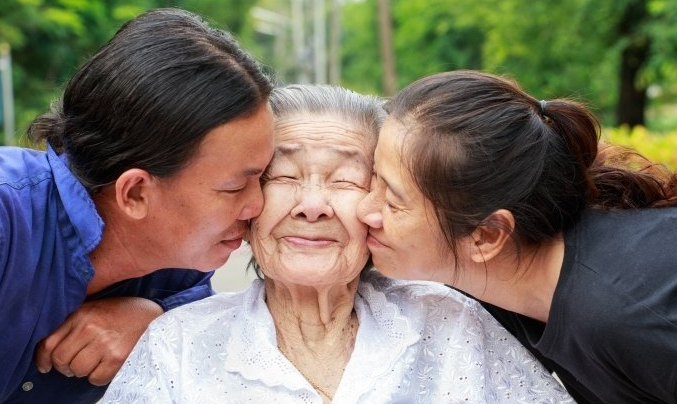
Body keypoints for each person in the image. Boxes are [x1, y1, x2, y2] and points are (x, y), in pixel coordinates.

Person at [102, 84, 573, 404]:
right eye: (283, 175)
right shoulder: (179, 343)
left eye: (347, 180)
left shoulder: (451, 324)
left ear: (382, 203)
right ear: (247, 202)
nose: (312, 206)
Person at [0, 8, 274, 404]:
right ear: (134, 194)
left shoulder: (182, 269)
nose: (258, 206)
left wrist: (156, 320)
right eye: (235, 187)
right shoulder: (9, 221)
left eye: (264, 178)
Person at [356, 69, 677, 404]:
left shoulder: (632, 316)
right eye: (372, 178)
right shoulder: (503, 282)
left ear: (486, 236)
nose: (365, 210)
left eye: (393, 202)